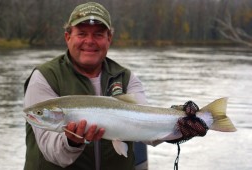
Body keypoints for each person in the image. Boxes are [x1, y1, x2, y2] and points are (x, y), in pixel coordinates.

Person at [23, 2, 208, 170]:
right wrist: (73, 142)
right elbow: (51, 151)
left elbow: (147, 132)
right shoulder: (44, 77)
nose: (89, 41)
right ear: (67, 37)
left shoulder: (126, 78)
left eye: (98, 34)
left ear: (109, 38)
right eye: (81, 33)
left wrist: (181, 128)